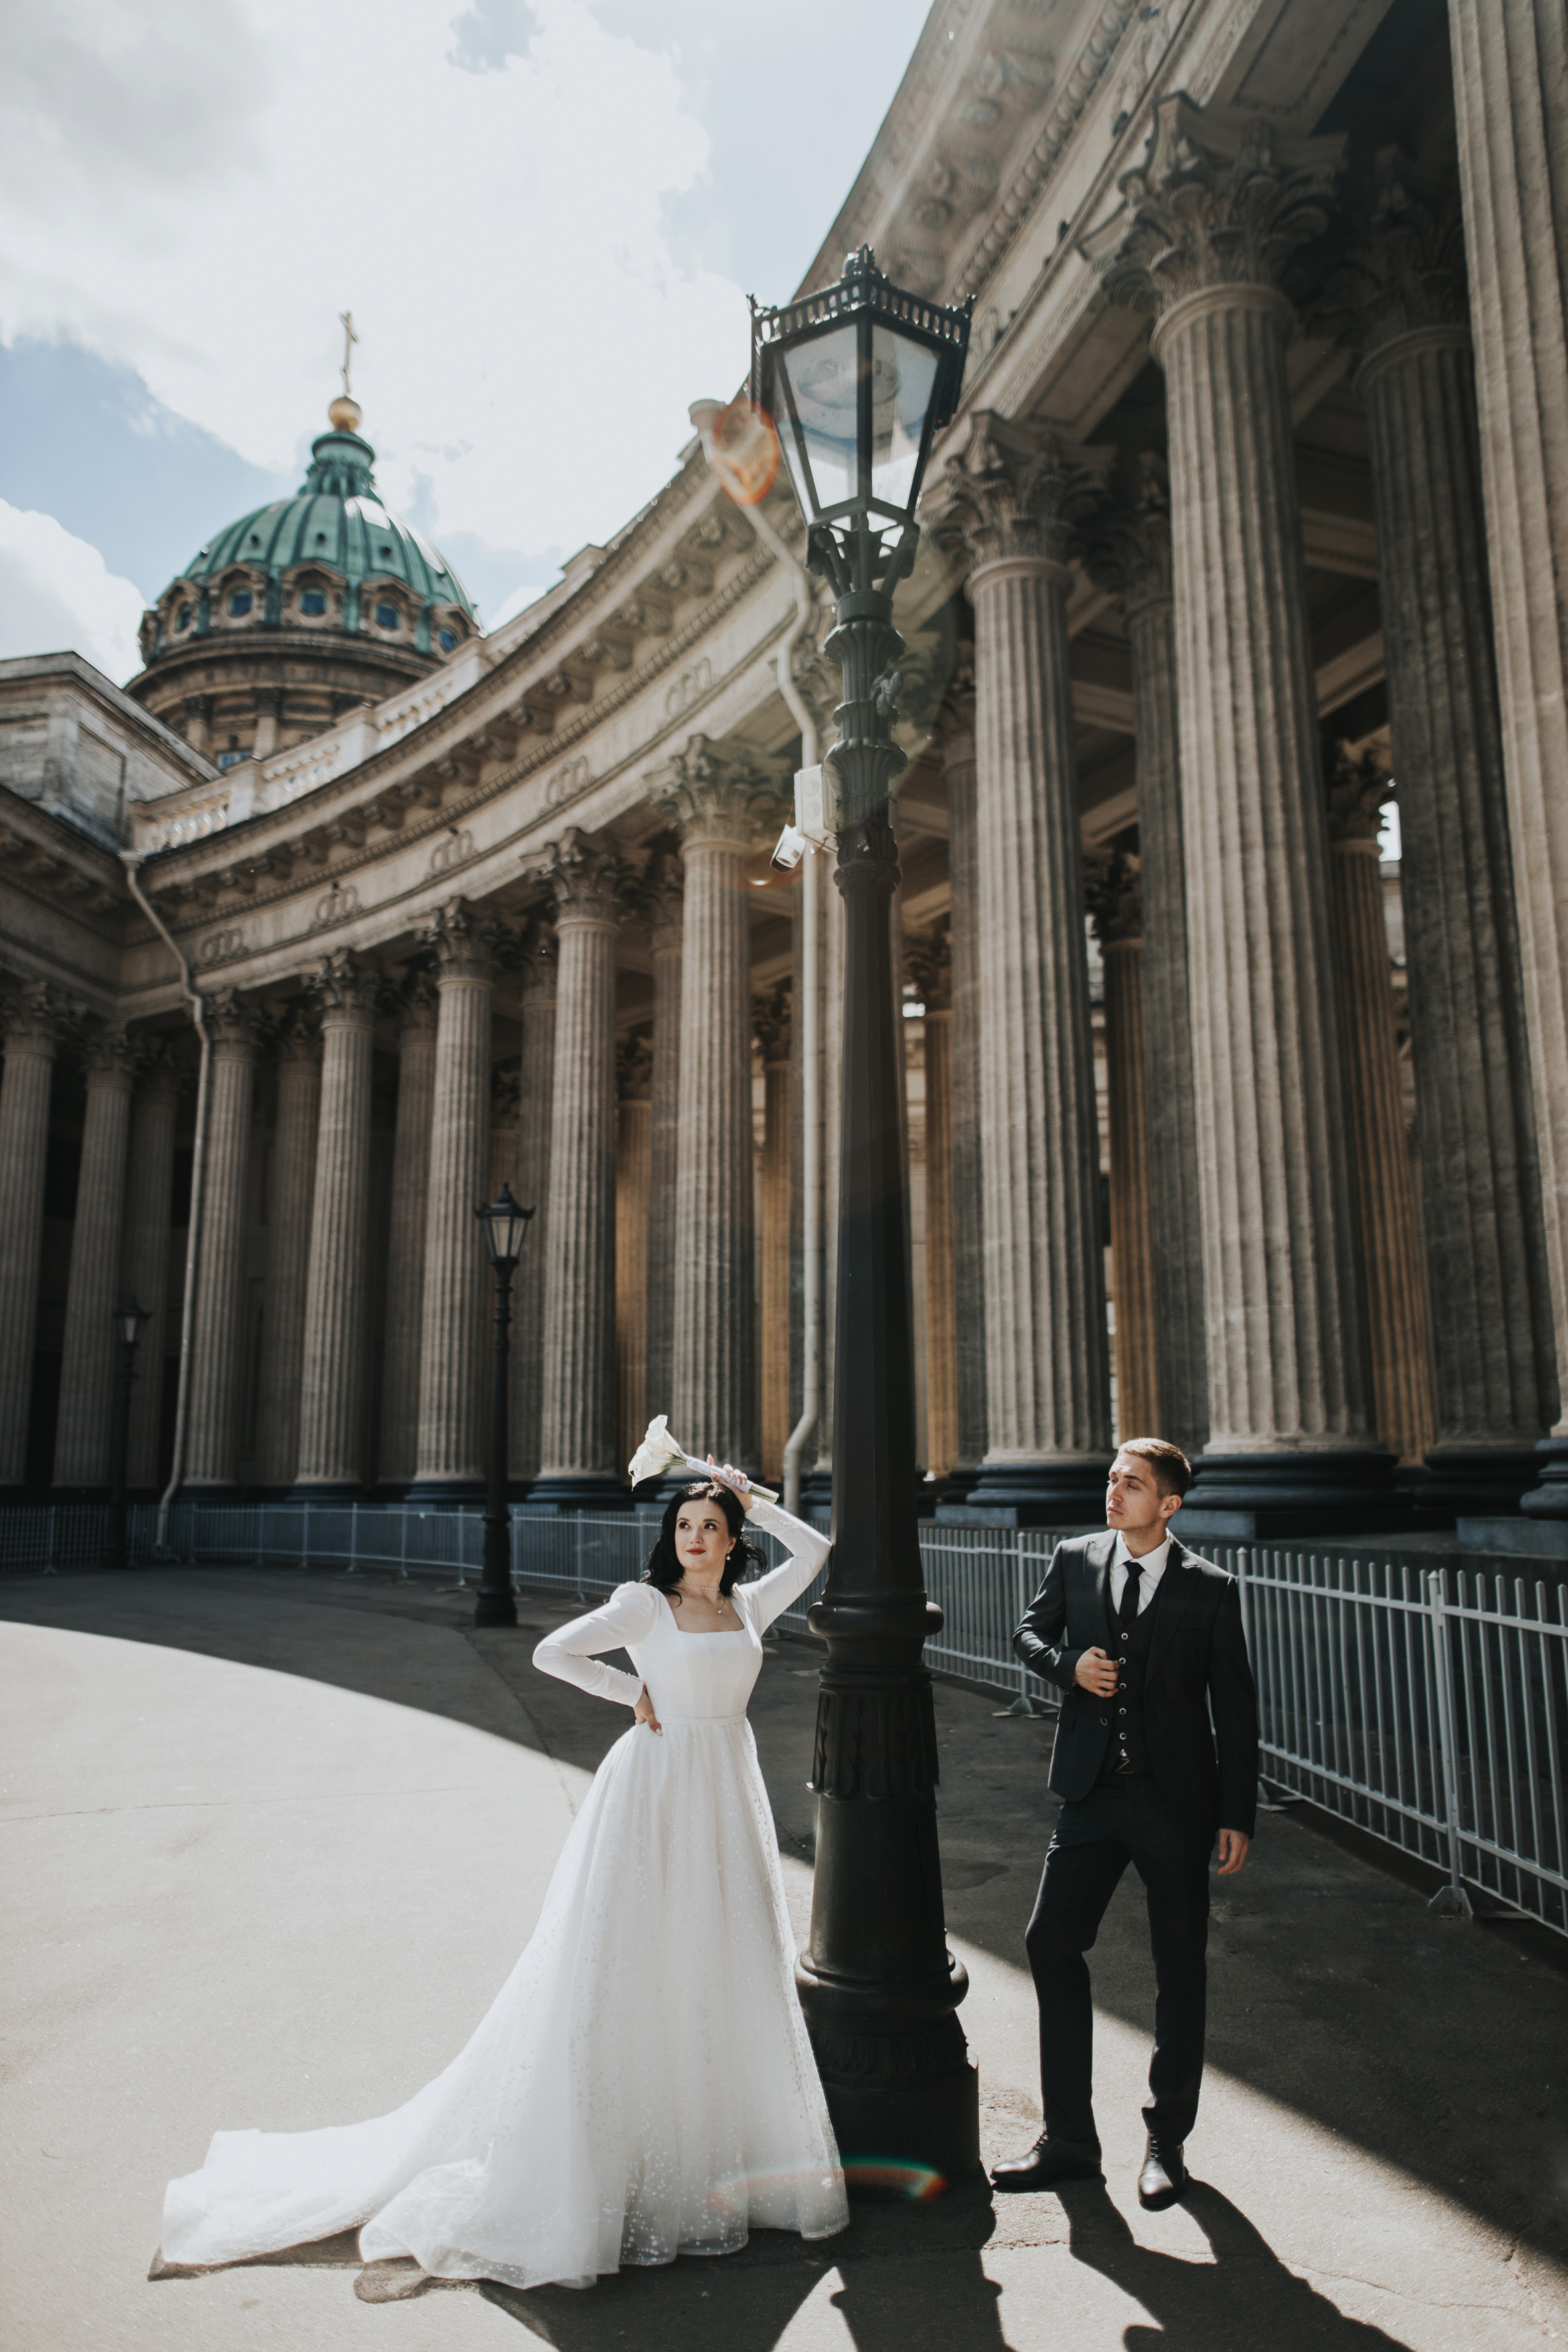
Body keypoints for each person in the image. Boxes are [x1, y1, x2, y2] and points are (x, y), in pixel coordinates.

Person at [160, 1464, 848, 2292]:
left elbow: (817, 1555)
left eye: (709, 1527)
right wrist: (630, 1690)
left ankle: (722, 2154)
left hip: (725, 1792)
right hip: (657, 1783)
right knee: (637, 1958)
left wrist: (755, 1497)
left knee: (719, 1957)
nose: (694, 1539)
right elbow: (552, 1651)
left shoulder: (746, 1606)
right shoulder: (644, 1604)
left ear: (733, 1541)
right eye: (683, 1528)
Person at [992, 1439, 1259, 2211]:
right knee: (1049, 1941)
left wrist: (1235, 1812)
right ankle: (1069, 2140)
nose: (1113, 1493)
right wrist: (1066, 1666)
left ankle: (1166, 2141)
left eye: (1131, 1485)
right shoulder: (1076, 1558)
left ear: (1167, 1505)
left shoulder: (1209, 1588)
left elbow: (1233, 1710)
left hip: (1175, 1805)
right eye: (1111, 1480)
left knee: (1179, 1969)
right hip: (1091, 1796)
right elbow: (1027, 1633)